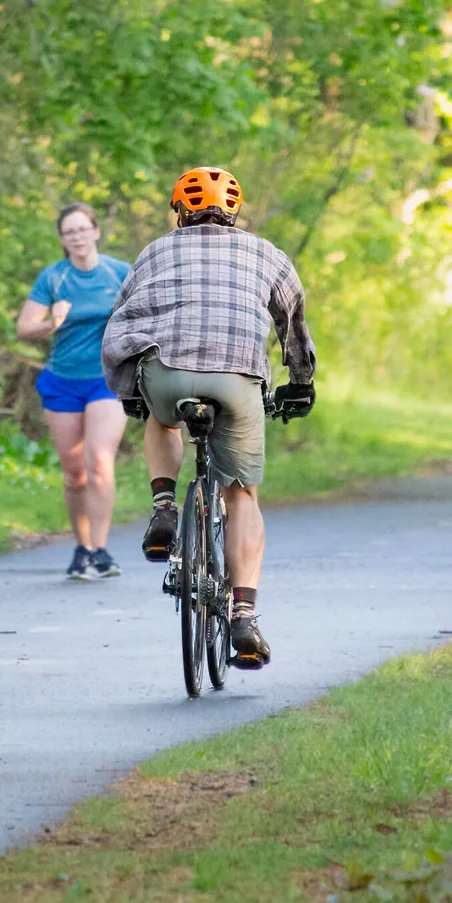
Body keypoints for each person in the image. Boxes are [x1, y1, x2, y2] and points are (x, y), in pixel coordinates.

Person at [102, 166, 315, 669]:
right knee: (242, 495)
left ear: (180, 212)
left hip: (167, 373)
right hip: (236, 378)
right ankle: (244, 615)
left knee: (161, 419)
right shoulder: (267, 254)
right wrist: (301, 382)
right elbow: (293, 325)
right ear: (235, 212)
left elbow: (122, 315)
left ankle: (163, 508)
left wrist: (131, 387)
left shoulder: (155, 251)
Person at [17, 203, 131, 581]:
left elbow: (146, 314)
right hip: (63, 380)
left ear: (96, 231)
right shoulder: (53, 278)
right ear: (63, 240)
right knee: (74, 474)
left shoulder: (119, 273)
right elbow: (24, 328)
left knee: (99, 462)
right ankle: (82, 548)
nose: (77, 237)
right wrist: (52, 322)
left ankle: (100, 549)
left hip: (106, 380)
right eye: (69, 232)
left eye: (83, 229)